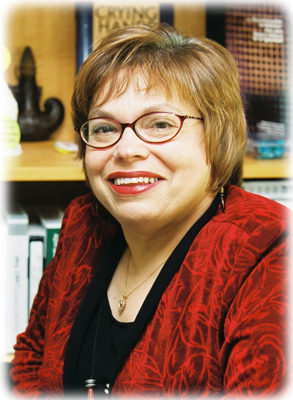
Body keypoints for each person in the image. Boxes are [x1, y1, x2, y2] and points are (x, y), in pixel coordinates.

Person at [10, 24, 289, 398]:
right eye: (105, 128)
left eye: (160, 124)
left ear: (218, 135)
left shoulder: (269, 250)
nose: (126, 150)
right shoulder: (83, 223)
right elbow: (32, 359)